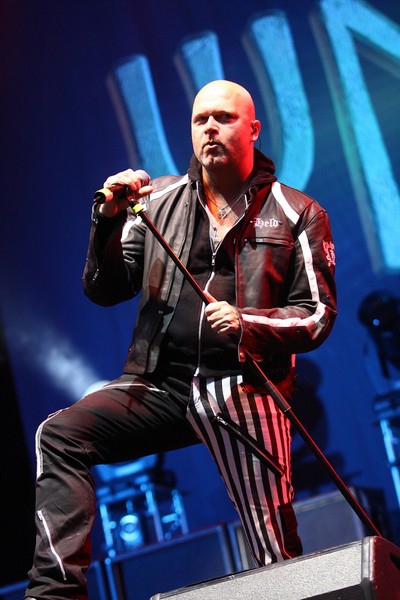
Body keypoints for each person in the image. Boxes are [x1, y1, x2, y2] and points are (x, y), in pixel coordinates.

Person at [25, 80, 337, 599]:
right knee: (58, 435)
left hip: (243, 388)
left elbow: (318, 315)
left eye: (224, 118)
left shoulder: (297, 213)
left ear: (253, 129)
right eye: (200, 120)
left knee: (275, 554)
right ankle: (53, 595)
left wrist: (248, 323)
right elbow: (105, 289)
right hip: (159, 385)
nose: (210, 128)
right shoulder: (157, 201)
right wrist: (107, 221)